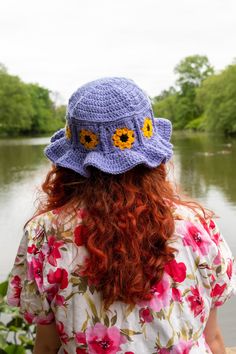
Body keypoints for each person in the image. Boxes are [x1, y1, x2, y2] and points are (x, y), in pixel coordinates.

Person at [7, 77, 236, 354]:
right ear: (152, 156)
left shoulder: (43, 235)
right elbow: (212, 340)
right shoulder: (195, 228)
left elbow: (45, 346)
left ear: (71, 160)